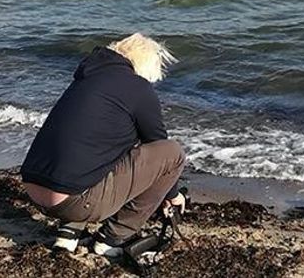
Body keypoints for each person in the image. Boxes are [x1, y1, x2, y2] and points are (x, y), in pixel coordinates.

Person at [21, 33, 186, 256]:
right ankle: (112, 238)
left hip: (33, 187)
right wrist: (173, 195)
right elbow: (158, 145)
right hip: (73, 200)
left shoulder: (85, 81)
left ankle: (69, 231)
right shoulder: (137, 88)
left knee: (101, 147)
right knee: (173, 153)